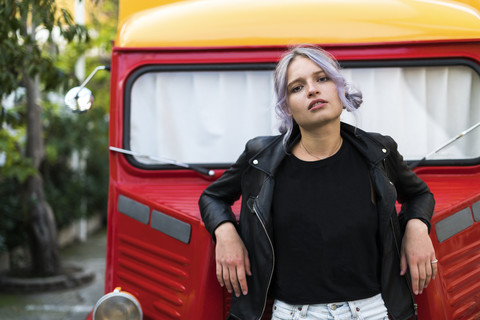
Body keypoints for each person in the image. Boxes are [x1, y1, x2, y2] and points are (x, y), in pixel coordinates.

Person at [199, 45, 437, 320]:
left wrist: (417, 228)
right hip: (294, 313)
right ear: (287, 106)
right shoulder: (261, 159)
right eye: (297, 87)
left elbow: (419, 194)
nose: (312, 90)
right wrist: (226, 233)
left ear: (340, 90)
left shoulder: (377, 151)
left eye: (322, 79)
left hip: (373, 310)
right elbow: (212, 197)